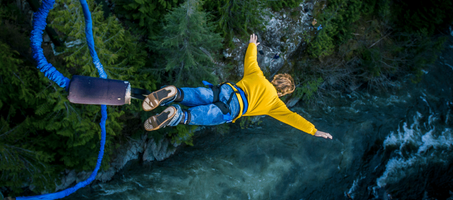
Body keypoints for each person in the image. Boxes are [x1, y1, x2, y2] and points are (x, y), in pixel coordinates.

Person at [142, 34, 332, 139]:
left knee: (200, 94)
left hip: (226, 90)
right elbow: (293, 118)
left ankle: (175, 93)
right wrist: (314, 130)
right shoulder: (275, 104)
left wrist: (252, 45)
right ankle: (177, 115)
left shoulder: (257, 75)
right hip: (233, 108)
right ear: (282, 93)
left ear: (275, 78)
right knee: (198, 116)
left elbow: (251, 59)